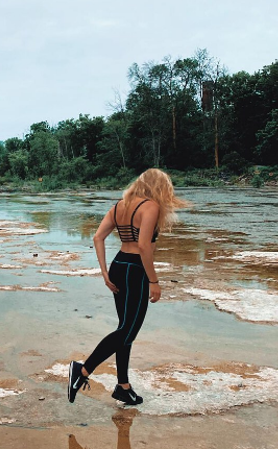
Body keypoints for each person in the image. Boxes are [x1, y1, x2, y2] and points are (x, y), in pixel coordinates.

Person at [68, 168, 189, 407]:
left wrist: (105, 272)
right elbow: (143, 246)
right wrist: (154, 281)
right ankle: (81, 371)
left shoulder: (119, 206)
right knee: (128, 331)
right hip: (135, 270)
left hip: (119, 266)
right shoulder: (150, 206)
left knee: (125, 329)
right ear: (159, 187)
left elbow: (98, 237)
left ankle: (123, 387)